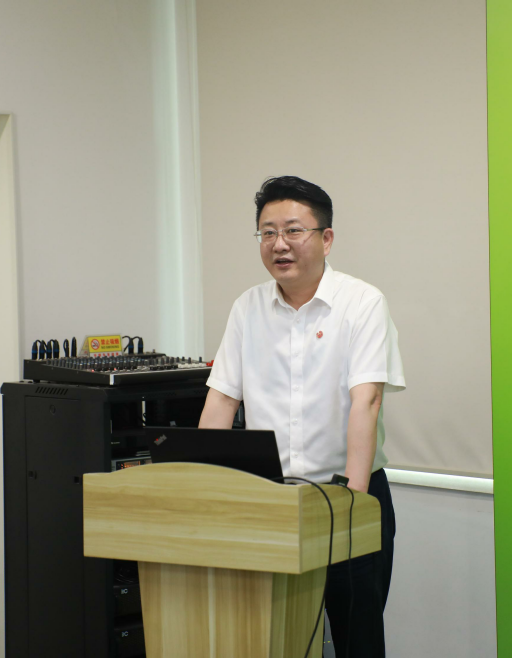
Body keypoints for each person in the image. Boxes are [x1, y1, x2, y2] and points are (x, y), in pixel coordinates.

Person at [199, 175, 405, 657]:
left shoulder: (362, 303)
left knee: (356, 639)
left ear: (326, 238)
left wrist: (351, 502)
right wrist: (204, 489)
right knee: (272, 638)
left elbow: (366, 401)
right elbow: (222, 401)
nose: (279, 244)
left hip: (348, 495)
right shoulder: (247, 308)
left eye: (293, 230)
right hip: (270, 501)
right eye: (268, 232)